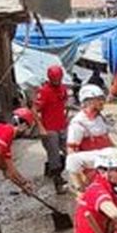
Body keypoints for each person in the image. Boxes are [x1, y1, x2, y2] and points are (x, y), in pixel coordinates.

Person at [34, 65, 70, 194]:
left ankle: (52, 171)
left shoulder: (63, 88)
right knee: (54, 155)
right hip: (49, 128)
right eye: (55, 79)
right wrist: (41, 127)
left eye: (59, 78)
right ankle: (57, 181)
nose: (57, 81)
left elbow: (65, 104)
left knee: (69, 152)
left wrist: (66, 118)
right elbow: (34, 110)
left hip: (62, 126)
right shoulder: (44, 91)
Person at [68, 84, 113, 153]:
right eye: (98, 99)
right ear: (88, 101)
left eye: (102, 99)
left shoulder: (100, 118)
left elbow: (108, 141)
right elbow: (72, 150)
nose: (102, 102)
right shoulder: (78, 122)